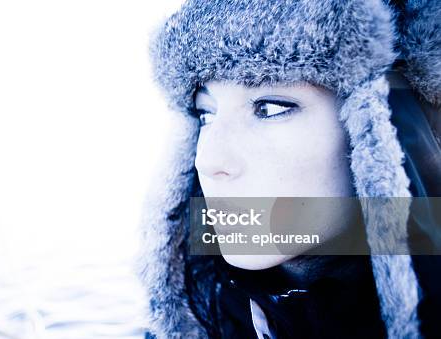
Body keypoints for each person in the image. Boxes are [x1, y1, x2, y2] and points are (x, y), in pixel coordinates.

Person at [138, 0, 441, 338]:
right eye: (205, 114)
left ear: (389, 127)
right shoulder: (208, 319)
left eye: (268, 108)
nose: (209, 162)